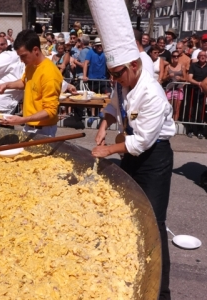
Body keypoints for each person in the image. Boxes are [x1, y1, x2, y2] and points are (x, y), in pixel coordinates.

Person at [88, 0, 175, 299]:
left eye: (118, 74)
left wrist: (109, 149)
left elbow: (142, 143)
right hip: (131, 150)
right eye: (112, 75)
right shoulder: (123, 82)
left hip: (155, 157)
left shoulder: (152, 93)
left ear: (135, 65)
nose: (115, 80)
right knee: (125, 207)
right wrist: (103, 125)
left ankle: (160, 290)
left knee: (154, 220)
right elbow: (114, 105)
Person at [0, 30, 63, 137]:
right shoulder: (31, 65)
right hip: (29, 125)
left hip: (43, 130)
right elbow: (25, 82)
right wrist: (7, 85)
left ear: (35, 50)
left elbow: (50, 111)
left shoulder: (50, 74)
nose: (21, 60)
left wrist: (22, 119)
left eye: (23, 56)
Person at [186, 50, 207, 139]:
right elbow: (189, 78)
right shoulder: (193, 65)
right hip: (193, 90)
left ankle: (200, 131)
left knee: (201, 111)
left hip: (203, 93)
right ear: (198, 57)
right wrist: (199, 84)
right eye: (201, 55)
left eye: (204, 56)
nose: (202, 57)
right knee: (192, 110)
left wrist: (203, 85)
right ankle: (190, 130)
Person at [164, 50, 187, 121]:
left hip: (178, 89)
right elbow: (163, 78)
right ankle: (167, 123)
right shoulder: (168, 67)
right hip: (170, 89)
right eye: (174, 56)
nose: (176, 57)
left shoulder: (182, 66)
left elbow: (186, 78)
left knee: (177, 108)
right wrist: (168, 76)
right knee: (168, 108)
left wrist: (180, 78)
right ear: (172, 57)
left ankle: (175, 123)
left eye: (177, 56)